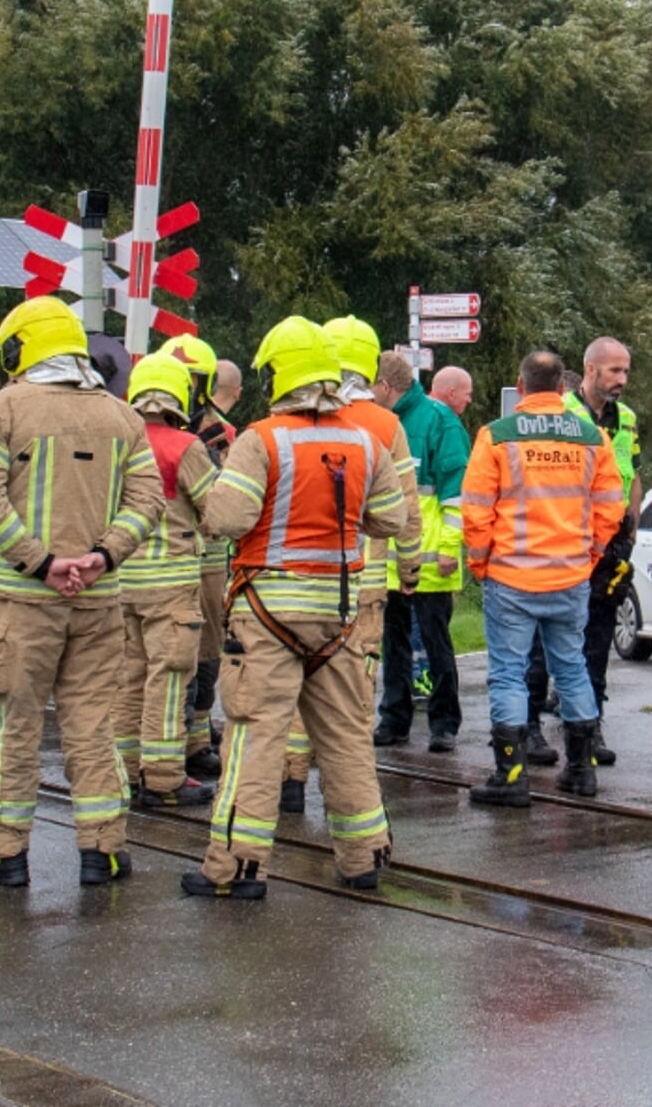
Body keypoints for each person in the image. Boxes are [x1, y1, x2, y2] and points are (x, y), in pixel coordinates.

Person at [182, 316, 407, 899]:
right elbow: (392, 519)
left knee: (255, 739)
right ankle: (363, 859)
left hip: (266, 613)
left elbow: (228, 520)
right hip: (340, 616)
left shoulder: (262, 439)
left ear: (279, 375)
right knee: (347, 737)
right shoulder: (365, 441)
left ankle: (235, 869)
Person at [0, 296, 166, 886]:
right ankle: (103, 850)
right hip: (98, 602)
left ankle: (2, 852)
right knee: (93, 724)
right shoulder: (122, 416)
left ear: (25, 348)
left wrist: (42, 563)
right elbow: (147, 501)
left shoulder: (0, 409)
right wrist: (101, 558)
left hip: (20, 602)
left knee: (10, 724)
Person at [464, 350, 625, 807]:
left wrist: (481, 564)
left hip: (511, 576)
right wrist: (589, 553)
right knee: (572, 669)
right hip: (570, 575)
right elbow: (611, 506)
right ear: (561, 388)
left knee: (509, 675)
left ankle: (511, 776)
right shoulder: (594, 437)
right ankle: (581, 771)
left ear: (521, 385)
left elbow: (476, 509)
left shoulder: (496, 436)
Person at [278, 316, 420, 810]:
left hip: (298, 581)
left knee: (297, 683)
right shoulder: (385, 424)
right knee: (355, 691)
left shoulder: (293, 418)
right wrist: (411, 567)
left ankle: (291, 782)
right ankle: (354, 793)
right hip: (364, 587)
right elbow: (406, 506)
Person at [526, 338, 641, 766]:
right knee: (543, 639)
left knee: (596, 641)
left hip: (609, 544)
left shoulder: (626, 419)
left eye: (626, 371)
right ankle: (531, 727)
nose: (622, 380)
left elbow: (633, 475)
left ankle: (589, 728)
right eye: (614, 371)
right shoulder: (562, 414)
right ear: (590, 370)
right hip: (566, 541)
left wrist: (632, 527)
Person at [112, 352, 219, 807]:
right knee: (169, 677)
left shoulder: (115, 440)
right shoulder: (184, 447)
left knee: (128, 678)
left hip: (119, 581)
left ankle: (123, 771)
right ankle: (162, 777)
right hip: (171, 584)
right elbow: (217, 510)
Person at [372, 349, 470, 753]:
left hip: (431, 560)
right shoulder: (382, 420)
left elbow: (455, 493)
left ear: (385, 386)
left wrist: (449, 548)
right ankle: (393, 719)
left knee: (436, 643)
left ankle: (444, 723)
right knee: (392, 647)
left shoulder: (438, 420)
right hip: (391, 561)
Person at [182, 348, 239, 781]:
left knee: (193, 648)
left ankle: (193, 733)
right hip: (201, 560)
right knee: (196, 648)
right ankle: (194, 738)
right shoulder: (209, 435)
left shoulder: (213, 433)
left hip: (188, 560)